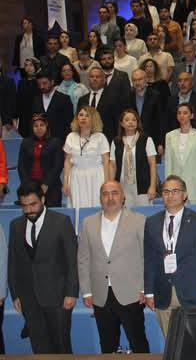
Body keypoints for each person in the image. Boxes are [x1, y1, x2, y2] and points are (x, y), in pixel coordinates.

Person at [77, 181, 149, 353]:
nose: (110, 198)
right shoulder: (88, 223)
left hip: (131, 293)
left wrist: (144, 288)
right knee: (107, 345)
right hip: (100, 294)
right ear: (100, 198)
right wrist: (86, 291)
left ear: (123, 196)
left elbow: (146, 256)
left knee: (138, 343)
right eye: (105, 194)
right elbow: (83, 258)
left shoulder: (139, 220)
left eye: (115, 193)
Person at [8, 180, 78, 353]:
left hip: (58, 298)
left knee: (61, 346)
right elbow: (13, 262)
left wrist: (71, 292)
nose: (29, 210)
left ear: (43, 199)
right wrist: (15, 294)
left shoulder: (61, 222)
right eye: (24, 206)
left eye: (33, 204)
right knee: (39, 348)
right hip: (29, 299)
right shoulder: (15, 225)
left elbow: (72, 261)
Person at [144, 175, 196, 336]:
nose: (170, 195)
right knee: (171, 343)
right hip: (162, 293)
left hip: (193, 293)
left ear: (184, 195)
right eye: (166, 191)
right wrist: (148, 292)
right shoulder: (151, 222)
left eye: (175, 191)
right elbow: (149, 260)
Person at [63, 106, 110, 209]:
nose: (83, 118)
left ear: (93, 118)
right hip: (76, 177)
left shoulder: (100, 137)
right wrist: (65, 182)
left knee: (96, 206)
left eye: (87, 115)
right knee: (77, 206)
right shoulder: (71, 137)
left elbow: (106, 162)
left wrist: (107, 182)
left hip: (96, 177)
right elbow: (67, 161)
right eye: (81, 115)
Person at [109, 109, 158, 206]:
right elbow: (113, 165)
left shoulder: (146, 139)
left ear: (137, 122)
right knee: (125, 214)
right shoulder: (116, 142)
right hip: (122, 187)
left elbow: (152, 164)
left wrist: (152, 186)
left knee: (143, 214)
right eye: (127, 120)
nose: (131, 122)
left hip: (142, 186)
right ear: (122, 123)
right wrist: (111, 186)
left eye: (134, 120)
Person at [164, 103, 196, 203]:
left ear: (191, 115)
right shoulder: (169, 136)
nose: (182, 115)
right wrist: (168, 186)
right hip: (176, 187)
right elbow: (168, 163)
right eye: (179, 113)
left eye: (185, 113)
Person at [18, 114, 64, 207]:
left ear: (46, 126)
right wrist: (27, 184)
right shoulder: (25, 142)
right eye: (36, 126)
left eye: (41, 125)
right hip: (30, 187)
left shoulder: (56, 142)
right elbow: (21, 166)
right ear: (32, 128)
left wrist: (46, 183)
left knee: (52, 214)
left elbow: (57, 166)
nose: (39, 128)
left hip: (51, 187)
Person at [77, 65, 130, 142]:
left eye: (97, 77)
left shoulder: (114, 98)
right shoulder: (82, 100)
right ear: (88, 79)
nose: (94, 79)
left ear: (104, 80)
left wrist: (118, 141)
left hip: (108, 140)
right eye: (92, 77)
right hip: (85, 141)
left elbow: (118, 122)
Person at [129, 68, 166, 154]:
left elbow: (161, 121)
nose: (137, 82)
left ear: (146, 80)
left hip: (153, 139)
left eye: (140, 79)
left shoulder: (156, 96)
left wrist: (161, 142)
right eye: (134, 80)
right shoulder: (128, 97)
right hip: (133, 139)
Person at [32, 70, 74, 140]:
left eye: (44, 83)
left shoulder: (64, 99)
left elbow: (69, 124)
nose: (41, 87)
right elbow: (33, 121)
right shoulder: (36, 100)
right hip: (41, 141)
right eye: (39, 84)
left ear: (52, 82)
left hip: (59, 140)